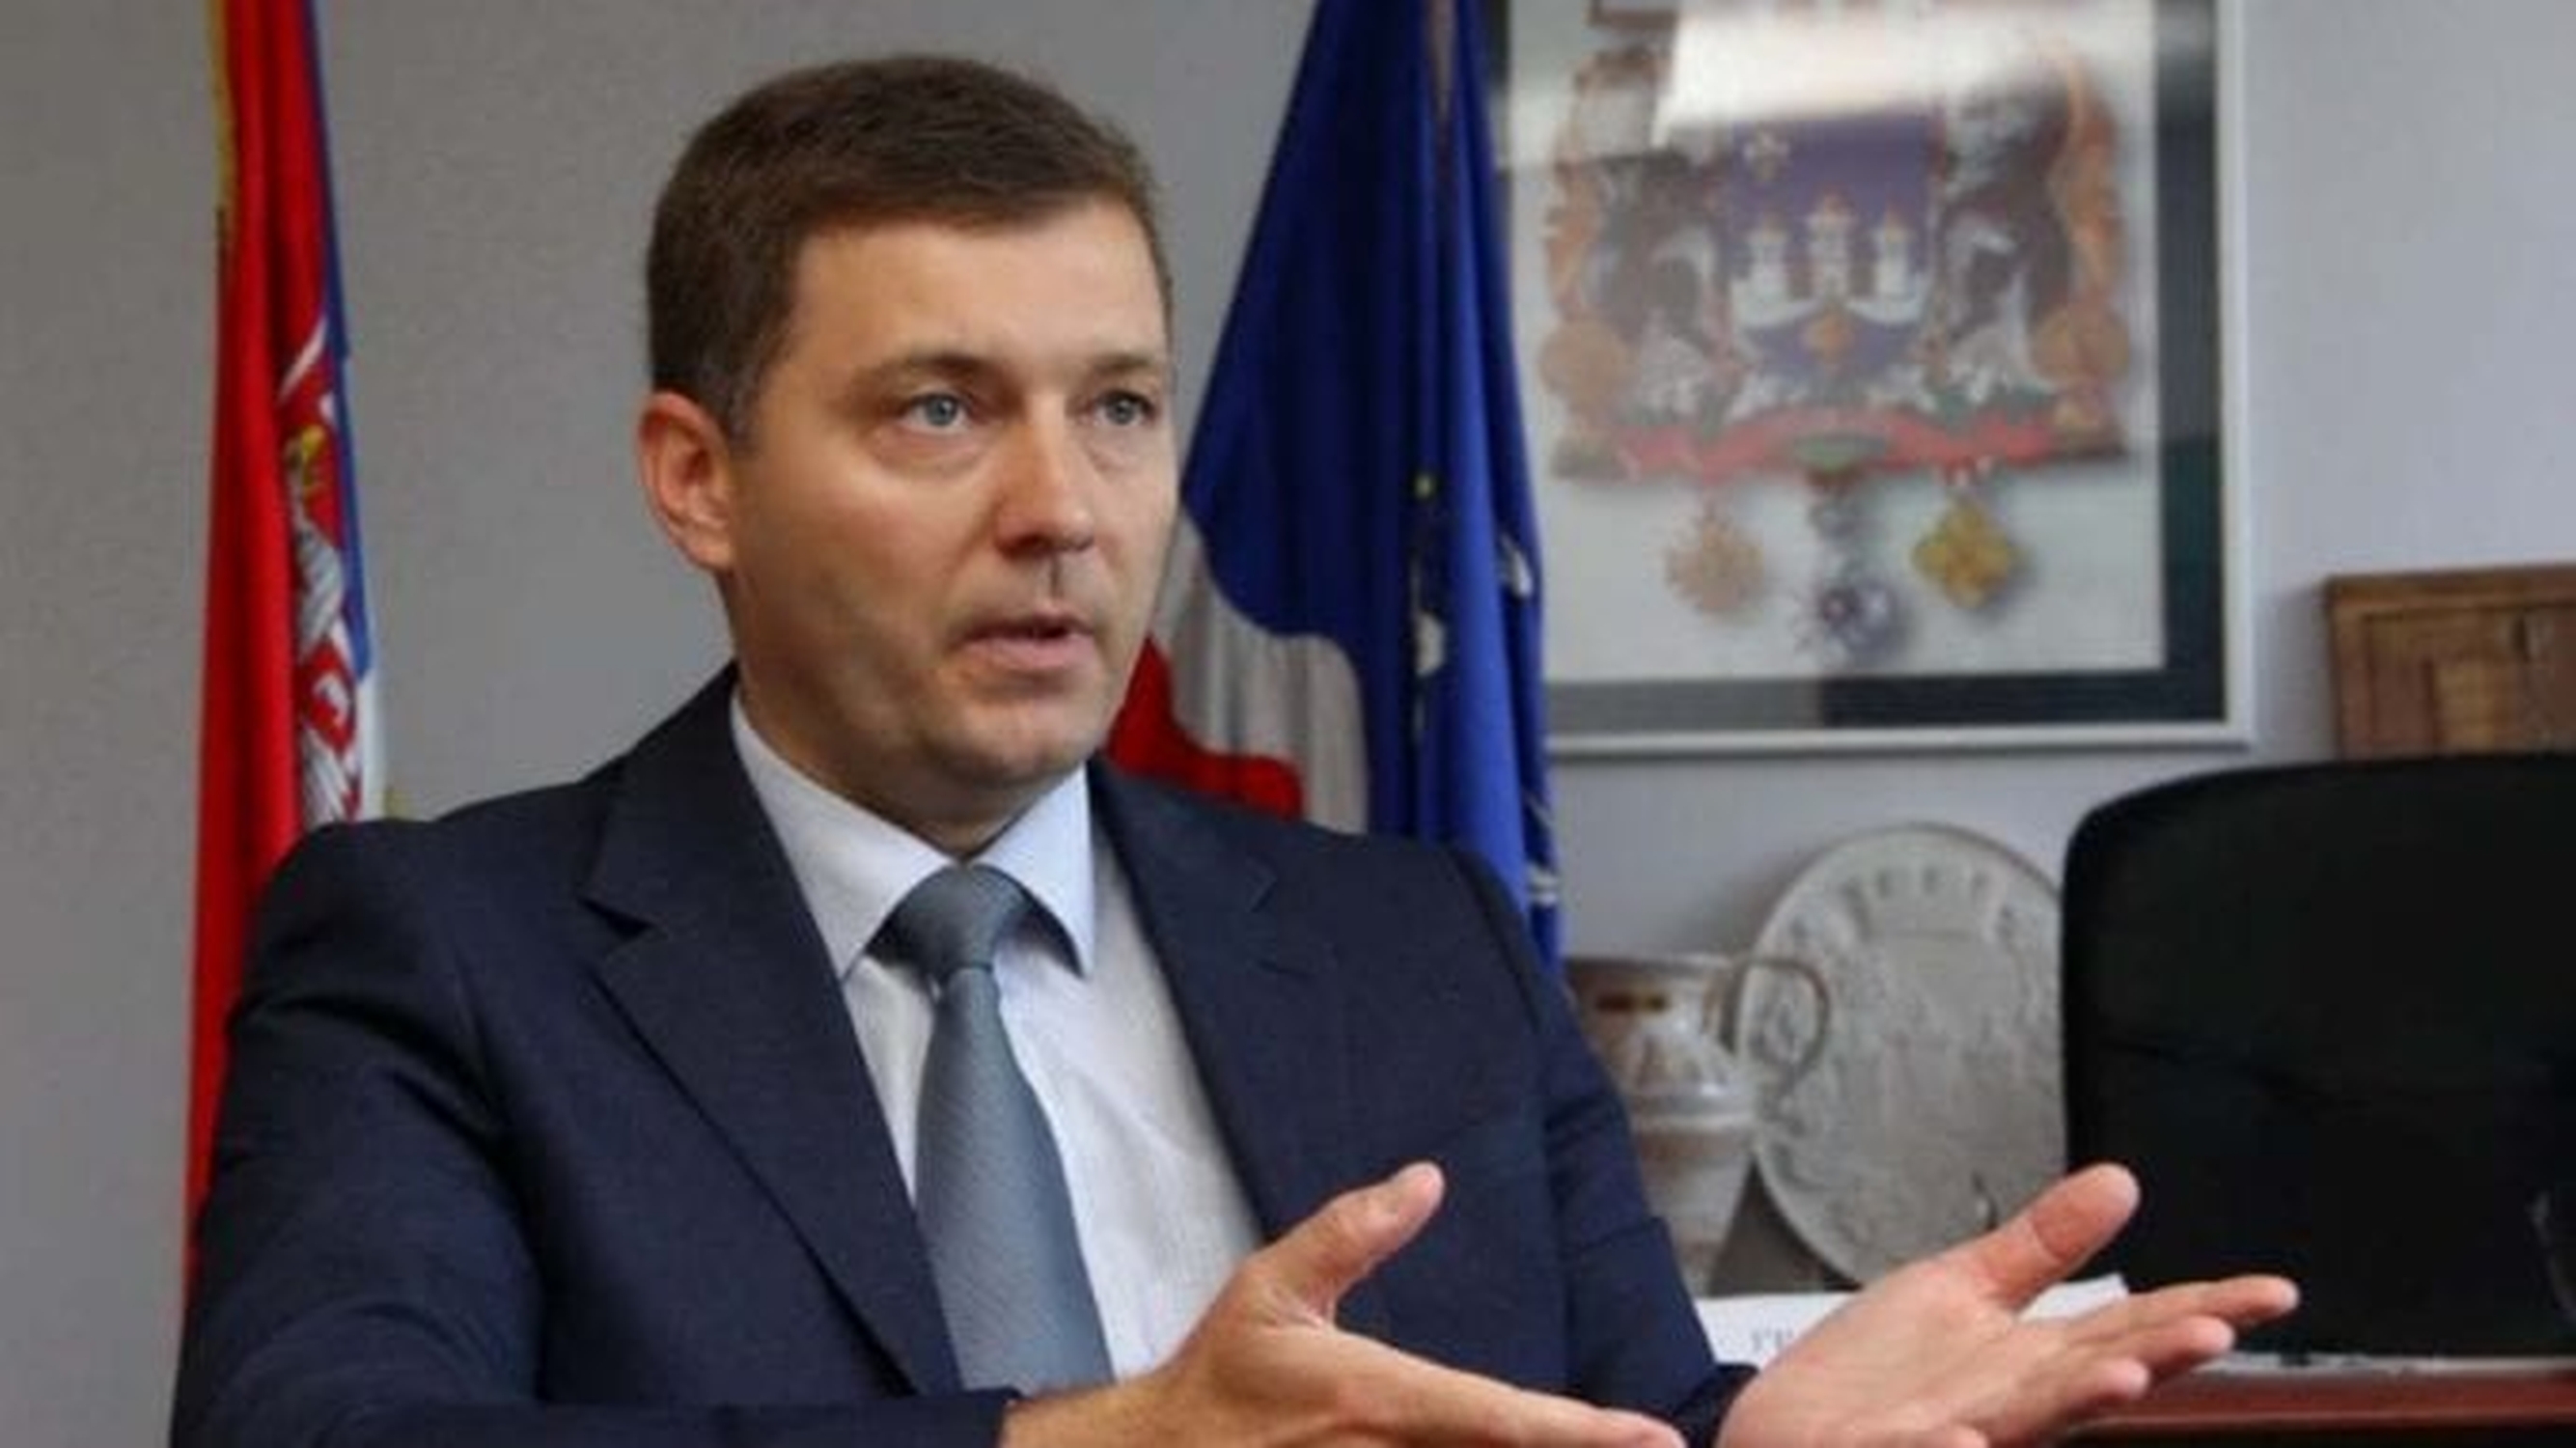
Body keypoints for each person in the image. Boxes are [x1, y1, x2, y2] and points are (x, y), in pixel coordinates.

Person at [172, 54, 2294, 1448]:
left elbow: (1616, 1426)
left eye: (1117, 406)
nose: (1063, 510)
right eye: (939, 410)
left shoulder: (1419, 944)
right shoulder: (446, 950)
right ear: (697, 476)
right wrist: (1093, 1440)